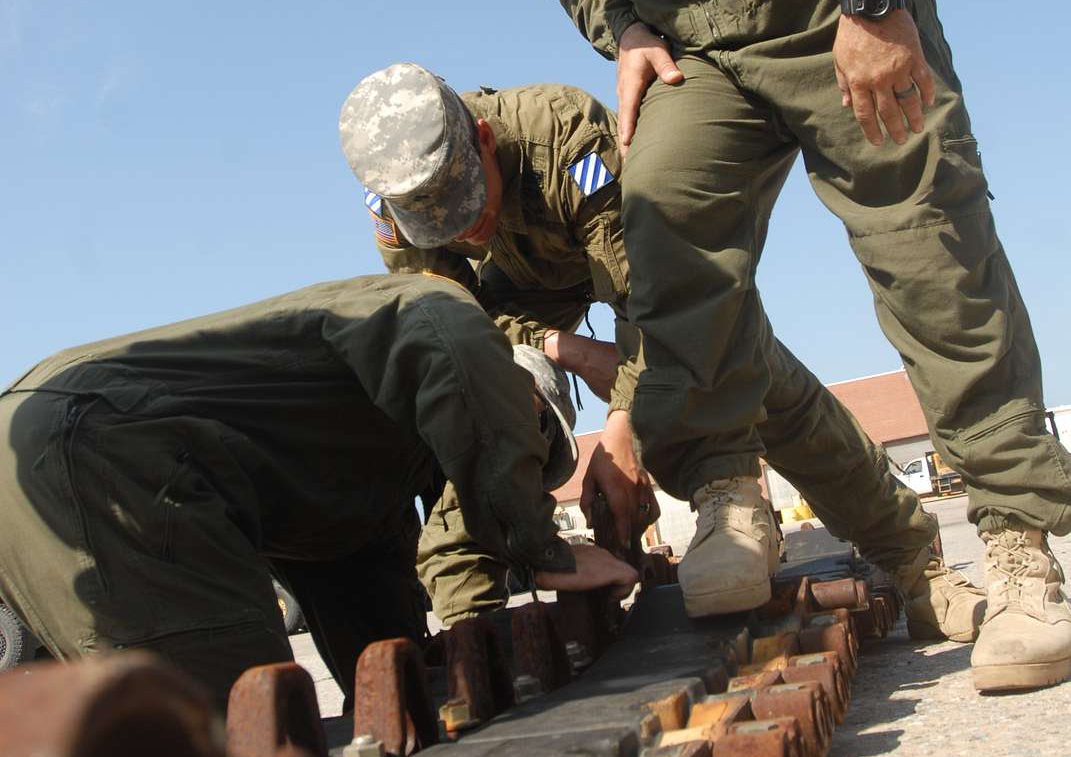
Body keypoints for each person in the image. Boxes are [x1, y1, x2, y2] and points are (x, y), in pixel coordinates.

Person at [386, 0, 1071, 694]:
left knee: (929, 251)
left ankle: (1027, 551)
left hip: (831, 6)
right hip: (704, 52)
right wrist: (629, 33)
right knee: (663, 218)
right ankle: (723, 494)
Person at [339, 60, 983, 642]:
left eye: (472, 206)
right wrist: (561, 349)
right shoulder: (397, 202)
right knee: (484, 400)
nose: (466, 228)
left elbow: (650, 299)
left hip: (623, 270)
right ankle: (469, 618)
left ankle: (912, 560)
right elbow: (451, 337)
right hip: (509, 307)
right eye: (444, 222)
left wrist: (621, 429)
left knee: (740, 359)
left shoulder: (563, 137)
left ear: (482, 138)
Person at [0, 274, 635, 708]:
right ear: (514, 391)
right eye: (531, 444)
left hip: (45, 435)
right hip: (98, 443)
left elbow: (368, 604)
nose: (518, 459)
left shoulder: (355, 470)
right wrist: (543, 547)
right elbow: (459, 349)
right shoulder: (441, 318)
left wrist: (424, 672)